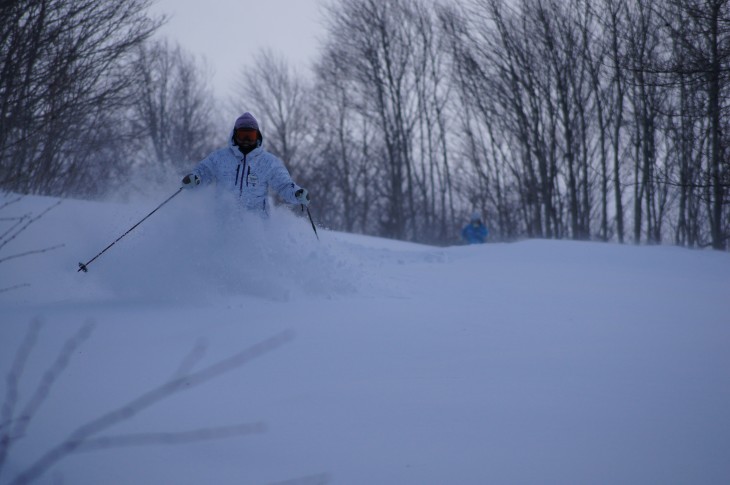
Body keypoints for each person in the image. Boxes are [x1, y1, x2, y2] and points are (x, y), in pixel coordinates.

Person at [181, 112, 309, 214]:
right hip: (222, 225)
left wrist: (296, 193)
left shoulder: (268, 162)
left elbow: (284, 185)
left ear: (257, 136)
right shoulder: (220, 157)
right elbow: (204, 171)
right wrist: (195, 178)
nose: (247, 140)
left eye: (251, 136)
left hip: (256, 227)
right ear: (235, 135)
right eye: (243, 135)